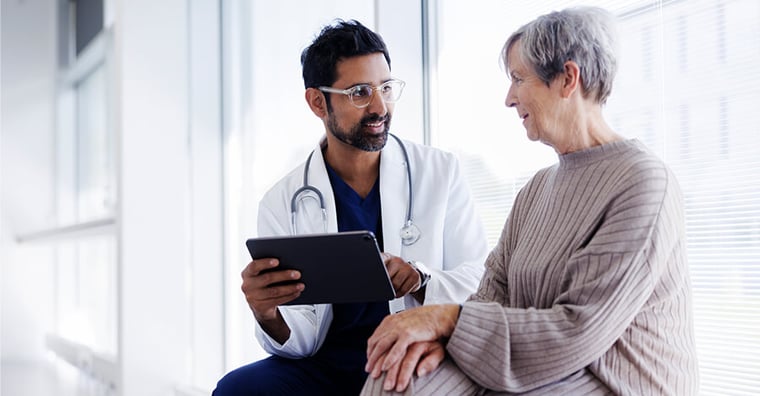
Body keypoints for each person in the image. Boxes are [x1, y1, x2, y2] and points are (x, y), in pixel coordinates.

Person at [362, 7, 699, 395]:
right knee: (395, 379)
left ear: (568, 79)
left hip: (611, 377)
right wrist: (438, 341)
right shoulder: (537, 188)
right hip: (535, 362)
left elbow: (578, 328)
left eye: (519, 79)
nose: (509, 98)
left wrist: (446, 321)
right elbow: (492, 294)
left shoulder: (643, 183)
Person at [213, 19, 488, 395]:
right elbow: (302, 340)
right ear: (316, 102)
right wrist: (266, 312)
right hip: (325, 364)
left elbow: (480, 281)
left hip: (410, 349)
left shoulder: (439, 172)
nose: (379, 106)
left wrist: (422, 279)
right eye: (359, 92)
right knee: (237, 389)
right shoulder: (282, 201)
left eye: (386, 88)